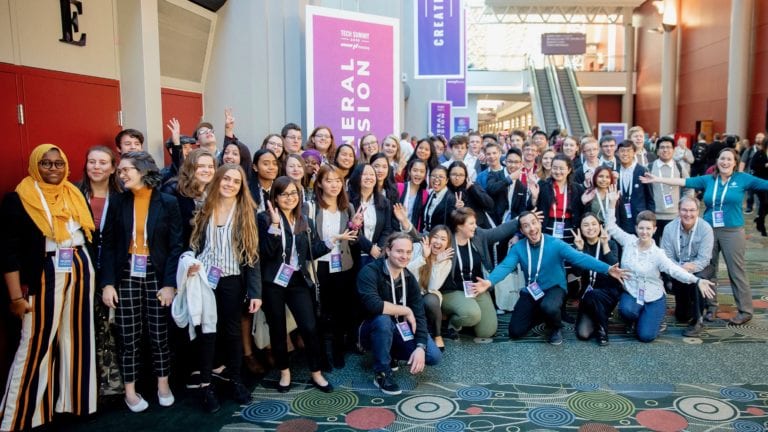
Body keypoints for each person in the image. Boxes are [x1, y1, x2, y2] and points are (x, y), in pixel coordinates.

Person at [0, 144, 97, 430]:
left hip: (79, 266)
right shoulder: (19, 198)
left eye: (58, 164)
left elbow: (89, 234)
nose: (53, 169)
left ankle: (71, 405)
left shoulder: (74, 192)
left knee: (77, 338)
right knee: (35, 343)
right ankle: (18, 416)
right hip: (44, 271)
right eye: (46, 163)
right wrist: (16, 296)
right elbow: (8, 252)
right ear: (35, 165)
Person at [641, 147, 768, 325]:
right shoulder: (709, 180)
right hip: (708, 230)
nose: (725, 162)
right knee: (709, 270)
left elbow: (765, 184)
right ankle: (711, 306)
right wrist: (657, 179)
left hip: (732, 231)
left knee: (736, 271)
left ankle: (745, 310)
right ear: (717, 161)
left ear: (735, 162)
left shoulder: (742, 179)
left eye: (729, 159)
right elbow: (683, 181)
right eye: (722, 159)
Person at [101, 151, 183, 412]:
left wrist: (170, 283)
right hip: (126, 275)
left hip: (156, 275)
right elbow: (110, 245)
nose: (121, 174)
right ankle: (130, 391)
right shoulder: (117, 202)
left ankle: (163, 385)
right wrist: (108, 283)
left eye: (126, 169)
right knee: (129, 335)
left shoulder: (168, 202)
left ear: (144, 170)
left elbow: (176, 245)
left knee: (159, 334)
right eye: (120, 170)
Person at [473, 211, 628, 345]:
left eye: (534, 223)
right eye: (526, 226)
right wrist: (489, 281)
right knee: (515, 331)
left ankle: (556, 327)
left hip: (555, 288)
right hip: (533, 290)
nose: (532, 228)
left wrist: (607, 269)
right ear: (521, 230)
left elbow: (580, 258)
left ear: (540, 223)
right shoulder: (518, 247)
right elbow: (505, 266)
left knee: (549, 306)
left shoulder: (555, 244)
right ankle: (545, 314)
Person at [187, 164, 262, 411]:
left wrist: (255, 291)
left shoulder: (245, 212)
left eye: (236, 181)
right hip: (205, 281)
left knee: (231, 332)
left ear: (242, 187)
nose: (230, 184)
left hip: (231, 280)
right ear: (218, 180)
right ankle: (206, 385)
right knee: (207, 332)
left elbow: (252, 255)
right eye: (226, 179)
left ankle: (236, 380)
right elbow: (194, 244)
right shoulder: (203, 208)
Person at [604, 186, 716, 342]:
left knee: (646, 336)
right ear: (636, 228)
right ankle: (636, 317)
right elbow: (611, 227)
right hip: (632, 292)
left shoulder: (658, 254)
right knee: (627, 311)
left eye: (648, 229)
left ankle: (653, 316)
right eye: (641, 228)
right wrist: (611, 204)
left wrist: (697, 280)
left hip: (653, 295)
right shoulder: (628, 241)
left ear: (655, 230)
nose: (644, 232)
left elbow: (675, 270)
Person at [258, 177, 333, 393]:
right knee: (278, 329)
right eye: (284, 194)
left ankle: (316, 373)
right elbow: (265, 253)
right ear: (275, 197)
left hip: (297, 280)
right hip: (272, 282)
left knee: (309, 327)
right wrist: (274, 226)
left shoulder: (305, 221)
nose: (289, 198)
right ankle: (284, 372)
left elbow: (311, 252)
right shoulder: (264, 219)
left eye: (293, 193)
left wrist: (331, 242)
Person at [357, 233, 443, 396]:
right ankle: (382, 373)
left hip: (398, 328)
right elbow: (374, 305)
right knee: (383, 320)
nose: (404, 256)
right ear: (388, 251)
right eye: (399, 251)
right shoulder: (370, 272)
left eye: (408, 252)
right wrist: (405, 310)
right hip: (371, 329)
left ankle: (391, 353)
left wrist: (420, 347)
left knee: (433, 356)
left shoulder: (409, 278)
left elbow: (419, 315)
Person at [77, 146, 124, 398]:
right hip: (80, 270)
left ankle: (110, 384)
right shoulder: (74, 193)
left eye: (103, 162)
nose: (96, 167)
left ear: (113, 167)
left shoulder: (121, 196)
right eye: (92, 161)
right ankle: (84, 384)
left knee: (109, 327)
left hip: (112, 271)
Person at [439, 208, 518, 341]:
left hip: (476, 288)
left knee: (487, 331)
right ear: (459, 226)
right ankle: (453, 323)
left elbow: (498, 231)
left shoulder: (478, 236)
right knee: (472, 314)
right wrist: (406, 224)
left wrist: (519, 220)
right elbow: (421, 237)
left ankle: (467, 316)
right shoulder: (445, 239)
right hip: (451, 290)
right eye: (471, 223)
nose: (475, 226)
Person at [313, 165, 362, 369]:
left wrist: (354, 227)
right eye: (329, 180)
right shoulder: (312, 207)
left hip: (343, 265)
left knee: (341, 310)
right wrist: (336, 237)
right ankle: (323, 355)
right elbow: (311, 240)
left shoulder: (347, 207)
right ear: (319, 183)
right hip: (320, 265)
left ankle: (338, 350)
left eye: (337, 181)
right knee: (322, 312)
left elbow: (351, 242)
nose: (334, 185)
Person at [660, 196, 715, 337]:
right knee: (682, 316)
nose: (688, 214)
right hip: (678, 268)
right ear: (678, 211)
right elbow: (667, 257)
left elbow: (704, 260)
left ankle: (698, 321)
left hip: (701, 267)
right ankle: (694, 304)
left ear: (698, 211)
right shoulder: (669, 228)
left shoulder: (705, 229)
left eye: (692, 210)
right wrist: (680, 269)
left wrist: (689, 268)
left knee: (698, 280)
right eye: (684, 210)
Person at [571, 213, 621, 346]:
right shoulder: (581, 245)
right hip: (588, 295)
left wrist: (605, 245)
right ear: (581, 229)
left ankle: (602, 330)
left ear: (600, 226)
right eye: (586, 225)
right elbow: (576, 272)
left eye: (594, 224)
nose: (590, 228)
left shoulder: (610, 243)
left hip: (608, 293)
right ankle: (600, 316)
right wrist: (579, 251)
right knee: (583, 334)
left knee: (594, 294)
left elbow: (614, 268)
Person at [406, 226, 454, 351]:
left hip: (427, 293)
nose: (438, 242)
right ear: (429, 238)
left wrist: (436, 262)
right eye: (436, 237)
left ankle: (438, 334)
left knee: (432, 300)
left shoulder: (445, 260)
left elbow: (433, 286)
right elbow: (404, 271)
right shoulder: (416, 248)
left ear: (447, 243)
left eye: (443, 239)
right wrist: (422, 258)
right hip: (409, 292)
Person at [163, 149, 217, 246]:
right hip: (179, 250)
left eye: (211, 167)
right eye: (200, 166)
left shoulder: (215, 191)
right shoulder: (173, 190)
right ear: (190, 168)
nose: (207, 170)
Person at [348, 164, 394, 268]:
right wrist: (369, 248)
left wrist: (379, 249)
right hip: (353, 255)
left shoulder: (384, 202)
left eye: (372, 174)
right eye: (364, 174)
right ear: (357, 177)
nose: (369, 177)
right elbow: (349, 228)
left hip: (376, 256)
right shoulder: (347, 200)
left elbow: (387, 229)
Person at [649, 136, 689, 243]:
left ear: (673, 150)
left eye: (668, 147)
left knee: (672, 247)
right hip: (653, 216)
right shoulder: (649, 167)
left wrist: (685, 205)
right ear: (657, 151)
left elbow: (689, 187)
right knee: (653, 247)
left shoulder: (679, 168)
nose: (665, 150)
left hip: (674, 216)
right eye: (662, 147)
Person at [616, 140, 655, 234]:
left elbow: (650, 198)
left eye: (628, 151)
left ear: (634, 152)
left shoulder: (642, 171)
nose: (625, 154)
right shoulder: (614, 171)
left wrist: (650, 219)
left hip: (639, 218)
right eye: (622, 151)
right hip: (620, 217)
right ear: (617, 153)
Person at [447, 161, 494, 229]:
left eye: (461, 175)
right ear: (448, 175)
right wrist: (455, 208)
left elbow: (490, 204)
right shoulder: (447, 191)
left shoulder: (472, 186)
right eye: (454, 174)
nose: (457, 178)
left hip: (479, 228)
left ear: (466, 176)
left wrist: (473, 189)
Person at [396, 158, 429, 232]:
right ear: (409, 172)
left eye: (422, 171)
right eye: (415, 170)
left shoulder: (425, 194)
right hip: (395, 230)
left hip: (412, 233)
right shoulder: (399, 187)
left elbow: (421, 219)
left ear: (425, 175)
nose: (418, 174)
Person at [422, 166, 456, 234]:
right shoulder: (430, 193)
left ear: (446, 180)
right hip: (425, 234)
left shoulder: (451, 199)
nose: (436, 179)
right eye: (433, 176)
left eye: (440, 176)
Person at [248, 149, 280, 213]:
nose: (272, 167)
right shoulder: (247, 190)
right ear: (255, 167)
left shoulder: (280, 189)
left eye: (275, 164)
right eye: (266, 164)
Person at [750, 136, 768, 236]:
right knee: (764, 201)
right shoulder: (759, 153)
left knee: (766, 204)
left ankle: (759, 219)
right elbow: (753, 166)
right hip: (760, 182)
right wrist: (764, 165)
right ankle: (761, 225)